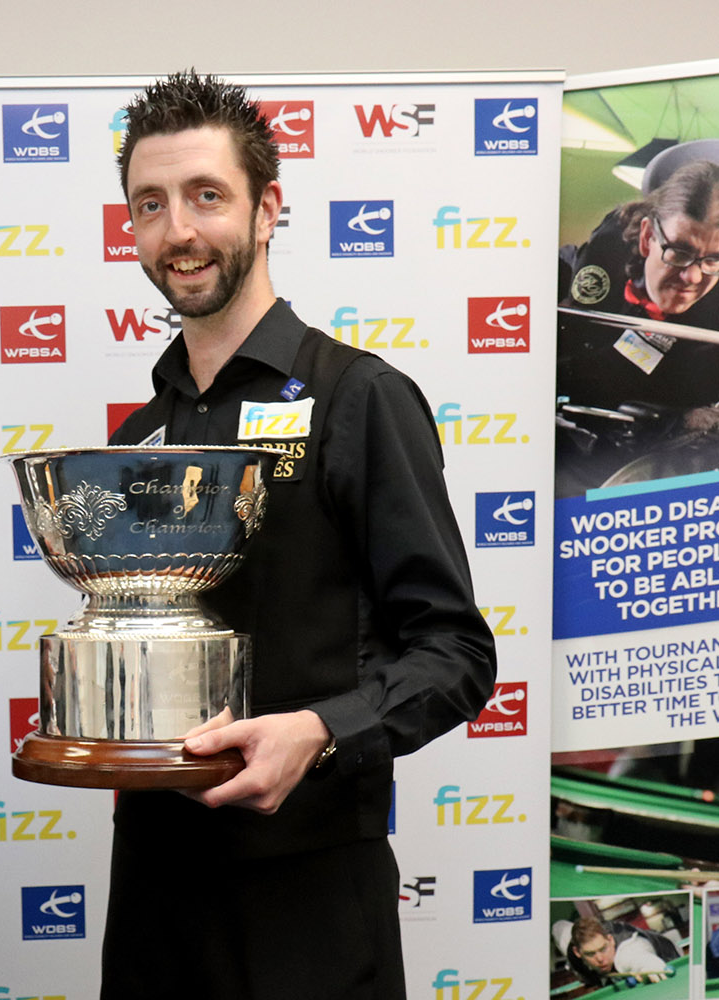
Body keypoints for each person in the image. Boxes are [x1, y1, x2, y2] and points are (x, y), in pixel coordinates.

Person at [100, 72, 496, 999]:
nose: (179, 232)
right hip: (155, 888)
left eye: (207, 196)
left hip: (307, 893)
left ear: (268, 208)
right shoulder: (136, 437)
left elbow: (457, 653)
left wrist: (319, 731)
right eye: (149, 205)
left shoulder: (358, 397)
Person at [559, 160, 719, 415]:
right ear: (647, 237)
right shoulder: (612, 243)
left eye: (713, 259)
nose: (693, 277)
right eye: (679, 252)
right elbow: (584, 349)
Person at [565, 917, 678, 986]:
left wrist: (651, 967)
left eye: (603, 949)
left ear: (610, 940)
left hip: (669, 953)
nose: (599, 958)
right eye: (590, 954)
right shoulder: (572, 955)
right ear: (577, 952)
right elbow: (558, 926)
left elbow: (640, 958)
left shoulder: (627, 949)